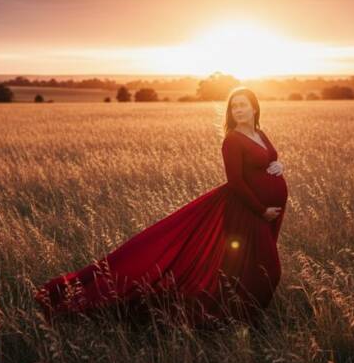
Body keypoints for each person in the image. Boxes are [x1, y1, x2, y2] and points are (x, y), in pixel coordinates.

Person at [34, 86, 288, 328]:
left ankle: (243, 317)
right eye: (234, 106)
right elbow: (235, 181)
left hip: (265, 211)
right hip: (247, 211)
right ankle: (237, 317)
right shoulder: (232, 140)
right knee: (269, 269)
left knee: (250, 267)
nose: (238, 110)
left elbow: (269, 159)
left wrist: (279, 165)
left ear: (254, 108)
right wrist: (261, 210)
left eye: (243, 105)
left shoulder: (259, 133)